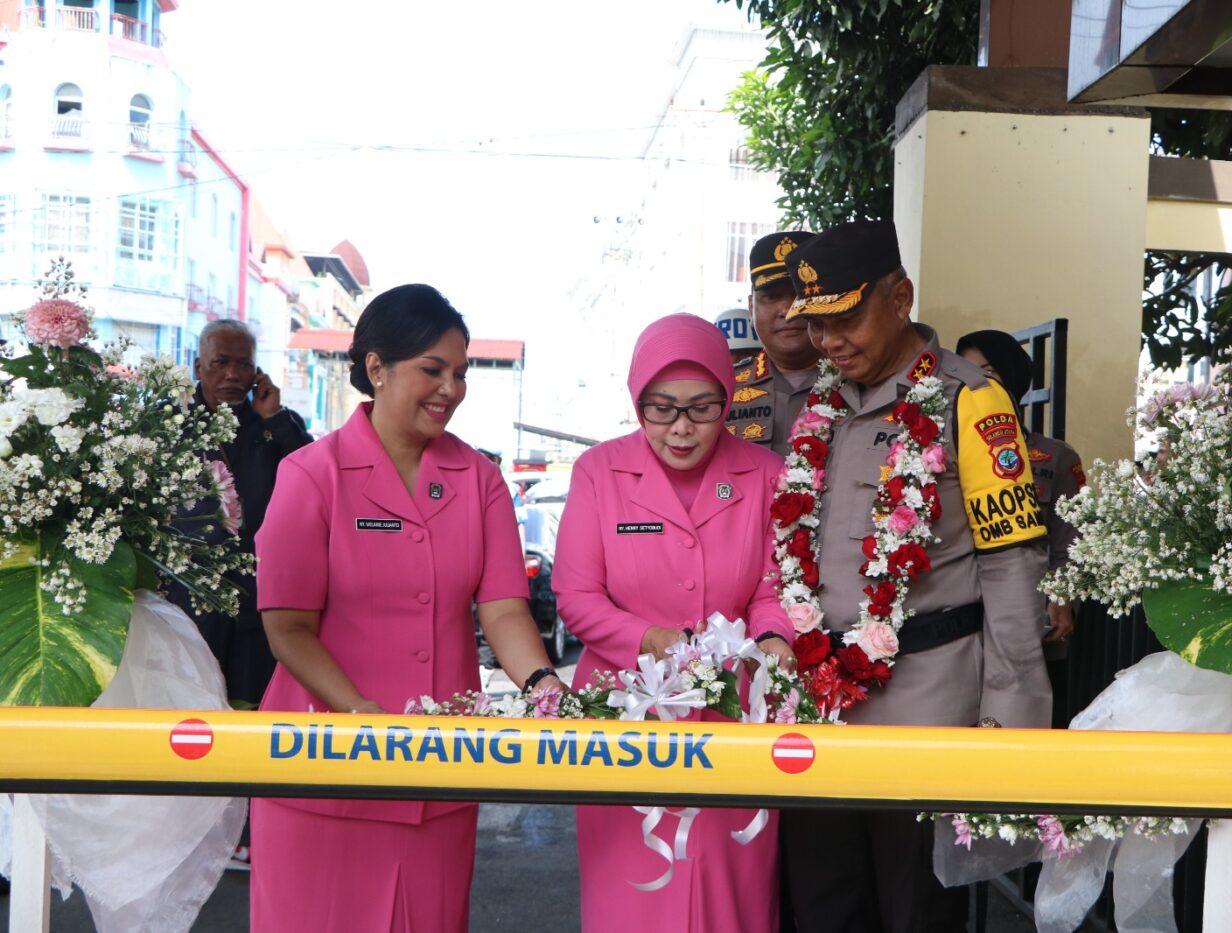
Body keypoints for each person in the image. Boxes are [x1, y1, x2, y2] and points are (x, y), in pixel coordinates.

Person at [250, 284, 564, 932]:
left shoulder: (478, 478)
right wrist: (362, 712)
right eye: (432, 369)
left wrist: (541, 683)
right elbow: (288, 629)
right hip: (325, 769)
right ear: (375, 368)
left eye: (460, 372)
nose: (450, 387)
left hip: (437, 773)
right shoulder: (313, 473)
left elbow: (504, 609)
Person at [779, 221, 1051, 932]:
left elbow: (1011, 566)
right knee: (823, 906)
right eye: (816, 326)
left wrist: (1011, 724)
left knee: (916, 914)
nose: (830, 341)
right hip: (822, 708)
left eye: (845, 318)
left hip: (930, 706)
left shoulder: (971, 401)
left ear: (900, 298)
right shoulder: (822, 406)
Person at [553, 312, 797, 933]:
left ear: (729, 398)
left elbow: (774, 590)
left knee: (729, 889)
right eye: (660, 408)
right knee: (631, 891)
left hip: (734, 715)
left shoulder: (765, 475)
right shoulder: (600, 472)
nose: (682, 428)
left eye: (702, 407)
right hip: (624, 713)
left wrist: (774, 639)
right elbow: (577, 596)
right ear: (637, 401)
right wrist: (653, 641)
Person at [170, 319, 313, 869]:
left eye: (243, 364)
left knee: (253, 710)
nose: (232, 375)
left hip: (259, 596)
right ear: (199, 364)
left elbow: (314, 473)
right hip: (191, 594)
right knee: (195, 713)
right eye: (220, 363)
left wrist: (273, 418)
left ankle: (251, 830)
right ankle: (193, 827)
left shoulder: (274, 427)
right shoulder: (169, 423)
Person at [954, 330, 1085, 644]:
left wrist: (1062, 596)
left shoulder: (1056, 458)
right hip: (953, 619)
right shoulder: (937, 452)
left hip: (1022, 621)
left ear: (1010, 379)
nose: (972, 383)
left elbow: (1073, 544)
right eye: (963, 371)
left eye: (987, 372)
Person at [727, 230, 819, 456]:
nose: (788, 311)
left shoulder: (859, 384)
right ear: (751, 306)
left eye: (800, 295)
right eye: (772, 296)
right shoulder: (723, 389)